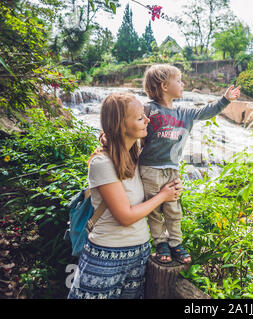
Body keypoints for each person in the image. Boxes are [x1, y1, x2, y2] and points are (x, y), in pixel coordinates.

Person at [68, 92, 182, 299]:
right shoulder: (102, 163)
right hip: (106, 257)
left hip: (139, 254)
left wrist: (170, 186)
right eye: (140, 118)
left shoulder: (137, 157)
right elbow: (125, 216)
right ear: (121, 125)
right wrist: (163, 196)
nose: (148, 120)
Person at [139, 64, 240, 264]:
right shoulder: (148, 109)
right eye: (179, 80)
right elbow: (130, 126)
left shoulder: (184, 113)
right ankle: (160, 243)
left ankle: (176, 243)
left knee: (173, 209)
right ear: (164, 86)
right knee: (154, 210)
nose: (183, 83)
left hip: (172, 169)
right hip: (149, 169)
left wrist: (225, 99)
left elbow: (207, 111)